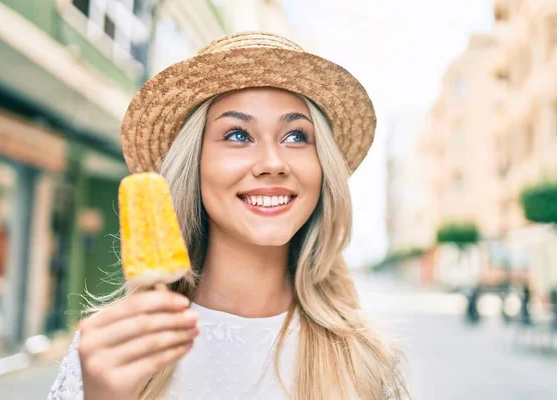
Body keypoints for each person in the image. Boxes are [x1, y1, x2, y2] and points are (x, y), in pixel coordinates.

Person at [48, 32, 409, 400]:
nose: (272, 163)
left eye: (297, 137)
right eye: (238, 135)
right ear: (196, 163)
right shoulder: (108, 356)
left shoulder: (367, 362)